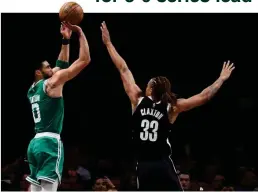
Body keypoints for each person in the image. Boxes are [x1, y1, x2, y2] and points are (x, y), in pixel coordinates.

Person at [100, 21, 235, 191]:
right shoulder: (172, 107)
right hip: (163, 164)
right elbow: (204, 96)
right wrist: (221, 79)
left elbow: (123, 68)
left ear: (151, 87)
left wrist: (108, 43)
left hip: (144, 164)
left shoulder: (137, 99)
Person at [26, 22, 91, 192]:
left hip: (34, 144)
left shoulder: (32, 90)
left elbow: (61, 65)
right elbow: (84, 60)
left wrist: (65, 40)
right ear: (38, 72)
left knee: (34, 188)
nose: (52, 68)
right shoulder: (52, 83)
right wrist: (80, 33)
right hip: (50, 143)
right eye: (48, 67)